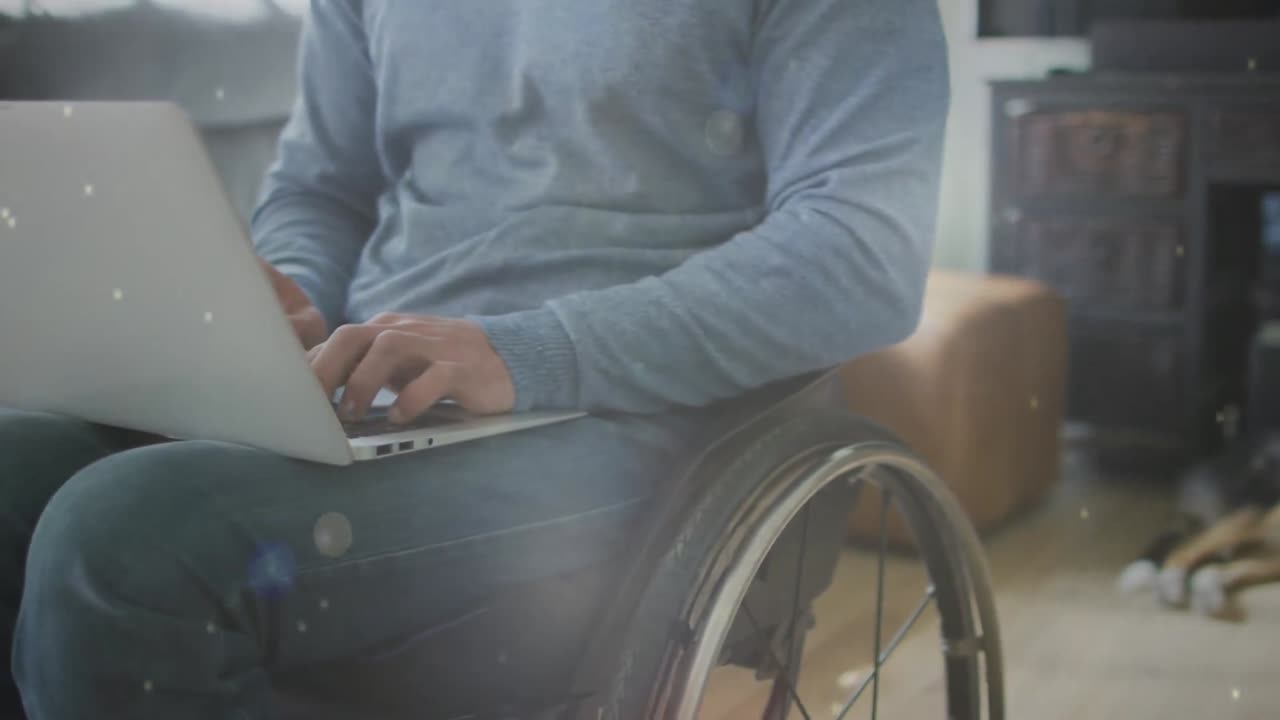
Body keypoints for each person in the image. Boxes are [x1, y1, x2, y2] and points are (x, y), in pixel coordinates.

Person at [0, 0, 950, 716]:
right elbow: (323, 188)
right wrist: (283, 293)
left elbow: (860, 253)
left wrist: (529, 351)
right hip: (379, 386)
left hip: (645, 419)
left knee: (126, 543)